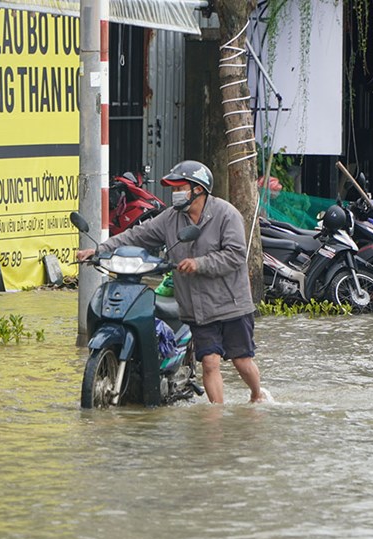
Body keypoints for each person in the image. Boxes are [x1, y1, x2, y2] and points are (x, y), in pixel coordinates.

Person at [77, 160, 268, 404]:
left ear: (198, 189)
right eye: (174, 189)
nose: (175, 194)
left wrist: (200, 263)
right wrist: (100, 250)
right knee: (210, 362)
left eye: (180, 188)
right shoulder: (170, 218)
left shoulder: (226, 214)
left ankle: (256, 394)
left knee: (242, 361)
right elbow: (137, 235)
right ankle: (216, 419)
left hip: (230, 303)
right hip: (196, 307)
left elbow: (235, 255)